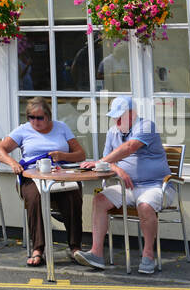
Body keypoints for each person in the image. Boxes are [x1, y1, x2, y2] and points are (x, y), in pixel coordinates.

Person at [74, 95, 175, 274]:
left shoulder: (146, 126)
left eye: (120, 116)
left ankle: (148, 255)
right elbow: (107, 161)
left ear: (132, 114)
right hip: (127, 186)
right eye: (115, 116)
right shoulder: (113, 131)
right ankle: (96, 253)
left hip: (156, 186)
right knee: (99, 200)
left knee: (144, 205)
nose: (116, 120)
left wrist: (102, 161)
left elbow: (129, 147)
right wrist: (116, 168)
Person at [0, 97, 86, 268]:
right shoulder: (23, 130)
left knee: (73, 195)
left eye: (39, 117)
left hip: (59, 175)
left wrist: (63, 156)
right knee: (35, 198)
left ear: (48, 116)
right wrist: (13, 163)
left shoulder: (61, 127)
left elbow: (81, 154)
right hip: (32, 176)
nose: (35, 121)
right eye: (31, 117)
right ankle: (38, 249)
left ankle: (75, 247)